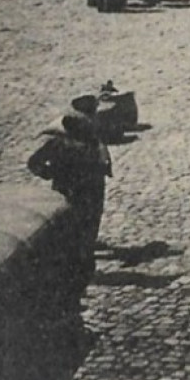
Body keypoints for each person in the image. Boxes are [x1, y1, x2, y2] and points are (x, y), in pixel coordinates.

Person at [26, 112, 112, 298]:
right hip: (81, 198)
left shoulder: (61, 144)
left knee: (76, 237)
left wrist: (48, 173)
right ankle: (76, 280)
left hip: (74, 197)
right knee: (80, 238)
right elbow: (104, 168)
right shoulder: (87, 145)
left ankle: (74, 278)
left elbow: (33, 163)